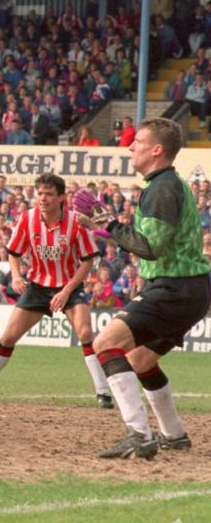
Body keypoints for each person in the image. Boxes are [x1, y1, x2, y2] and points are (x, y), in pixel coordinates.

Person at [74, 118, 211, 459]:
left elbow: (151, 247)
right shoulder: (165, 184)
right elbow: (149, 242)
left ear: (157, 149)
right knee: (140, 358)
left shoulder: (162, 187)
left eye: (137, 141)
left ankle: (139, 434)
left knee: (106, 343)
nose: (130, 146)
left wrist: (106, 221)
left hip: (174, 288)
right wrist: (104, 226)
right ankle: (173, 435)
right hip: (188, 290)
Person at [0, 173, 113, 409]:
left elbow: (87, 261)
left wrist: (66, 291)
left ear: (61, 197)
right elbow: (13, 252)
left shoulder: (76, 222)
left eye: (49, 194)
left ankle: (103, 393)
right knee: (9, 337)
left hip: (69, 287)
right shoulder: (27, 219)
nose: (43, 198)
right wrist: (15, 276)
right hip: (38, 287)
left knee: (85, 333)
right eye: (40, 193)